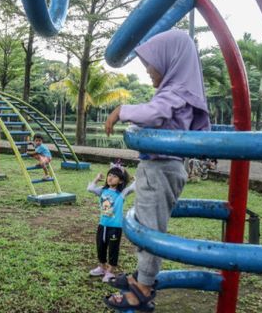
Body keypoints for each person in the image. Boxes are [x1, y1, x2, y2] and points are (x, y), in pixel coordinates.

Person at [103, 30, 211, 311]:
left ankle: (143, 289)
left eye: (151, 64)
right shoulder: (179, 91)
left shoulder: (175, 93)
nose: (149, 71)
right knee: (145, 219)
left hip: (161, 168)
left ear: (170, 60)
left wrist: (121, 110)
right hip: (160, 168)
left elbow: (154, 113)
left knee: (150, 229)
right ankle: (142, 276)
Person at [87, 163, 136, 283]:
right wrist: (97, 179)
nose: (110, 178)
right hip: (102, 225)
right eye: (110, 175)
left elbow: (132, 188)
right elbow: (90, 189)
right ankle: (102, 267)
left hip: (115, 227)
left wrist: (136, 180)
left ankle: (110, 272)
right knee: (100, 247)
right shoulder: (103, 190)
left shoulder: (122, 193)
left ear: (120, 181)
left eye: (114, 176)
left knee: (113, 249)